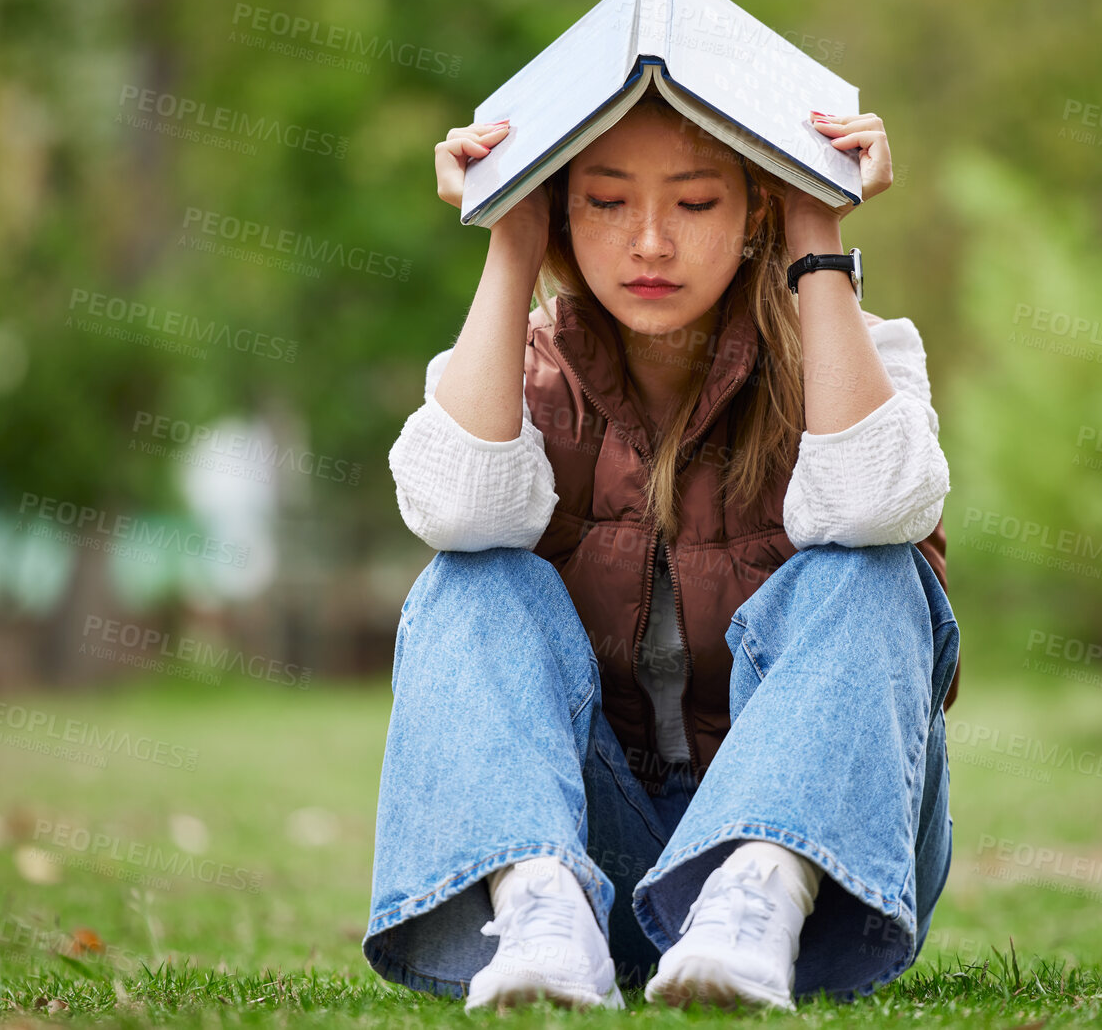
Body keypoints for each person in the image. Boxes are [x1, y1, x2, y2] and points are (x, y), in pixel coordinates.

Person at [363, 88, 959, 1012]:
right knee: (471, 577)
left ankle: (753, 896)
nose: (648, 242)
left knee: (872, 564)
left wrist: (815, 218)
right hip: (590, 856)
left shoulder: (863, 357)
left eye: (694, 202)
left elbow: (876, 502)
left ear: (753, 208)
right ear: (562, 204)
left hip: (812, 863)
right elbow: (452, 509)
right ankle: (537, 913)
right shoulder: (515, 372)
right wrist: (510, 234)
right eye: (604, 201)